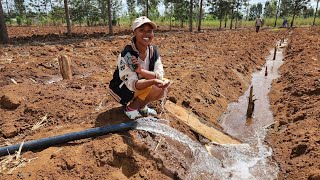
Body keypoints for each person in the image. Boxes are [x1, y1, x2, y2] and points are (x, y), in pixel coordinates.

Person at [109, 16, 171, 120]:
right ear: (134, 33)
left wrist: (141, 71)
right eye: (142, 30)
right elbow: (132, 84)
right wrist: (153, 80)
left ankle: (141, 106)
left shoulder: (153, 51)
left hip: (140, 85)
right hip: (122, 90)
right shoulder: (127, 55)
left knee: (166, 85)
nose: (146, 34)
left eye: (149, 31)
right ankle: (131, 108)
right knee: (154, 85)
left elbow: (160, 74)